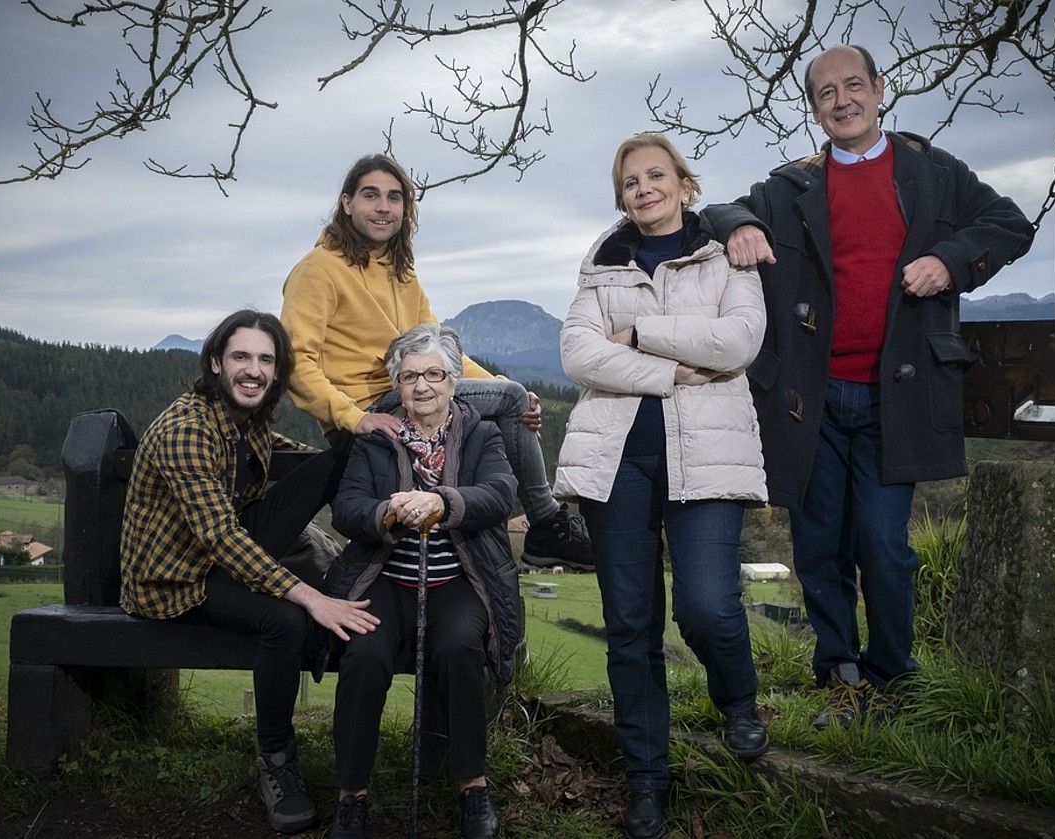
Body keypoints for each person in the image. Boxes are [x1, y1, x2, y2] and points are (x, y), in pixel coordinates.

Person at [701, 44, 1035, 727]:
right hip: (811, 400)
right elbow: (719, 210)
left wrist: (948, 259)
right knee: (819, 544)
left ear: (881, 90)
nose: (842, 99)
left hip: (897, 395)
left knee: (883, 544)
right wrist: (738, 227)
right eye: (826, 92)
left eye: (854, 85)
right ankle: (841, 674)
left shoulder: (934, 172)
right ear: (815, 108)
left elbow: (1009, 225)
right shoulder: (793, 187)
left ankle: (891, 676)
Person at [555, 133, 769, 839]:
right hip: (617, 465)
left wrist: (641, 333)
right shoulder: (601, 266)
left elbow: (738, 343)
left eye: (656, 176)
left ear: (683, 182)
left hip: (706, 457)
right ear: (621, 197)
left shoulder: (725, 254)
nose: (643, 188)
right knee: (629, 628)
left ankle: (738, 700)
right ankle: (647, 776)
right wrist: (671, 368)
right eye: (630, 182)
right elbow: (580, 354)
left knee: (707, 606)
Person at [119, 309, 382, 834]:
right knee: (285, 620)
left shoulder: (247, 421)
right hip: (180, 580)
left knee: (342, 454)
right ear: (216, 363)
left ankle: (369, 567)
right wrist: (311, 597)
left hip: (224, 561)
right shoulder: (186, 429)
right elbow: (221, 537)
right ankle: (278, 761)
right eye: (241, 356)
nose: (254, 370)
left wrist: (369, 466)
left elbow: (293, 462)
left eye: (266, 359)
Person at [280, 153, 592, 570]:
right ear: (346, 203)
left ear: (405, 210)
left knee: (510, 403)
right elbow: (296, 362)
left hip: (415, 389)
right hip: (372, 407)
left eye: (394, 198)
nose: (383, 207)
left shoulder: (401, 274)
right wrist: (354, 418)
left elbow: (444, 353)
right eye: (371, 195)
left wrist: (500, 386)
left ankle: (504, 548)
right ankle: (547, 525)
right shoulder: (317, 270)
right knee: (510, 401)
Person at [324, 323, 521, 839]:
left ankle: (471, 786)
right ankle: (351, 795)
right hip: (386, 580)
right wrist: (385, 512)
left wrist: (444, 502)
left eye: (434, 373)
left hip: (459, 580)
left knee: (460, 649)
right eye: (409, 375)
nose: (422, 386)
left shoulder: (481, 434)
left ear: (454, 381)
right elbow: (346, 509)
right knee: (364, 654)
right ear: (397, 383)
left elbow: (501, 493)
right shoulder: (376, 438)